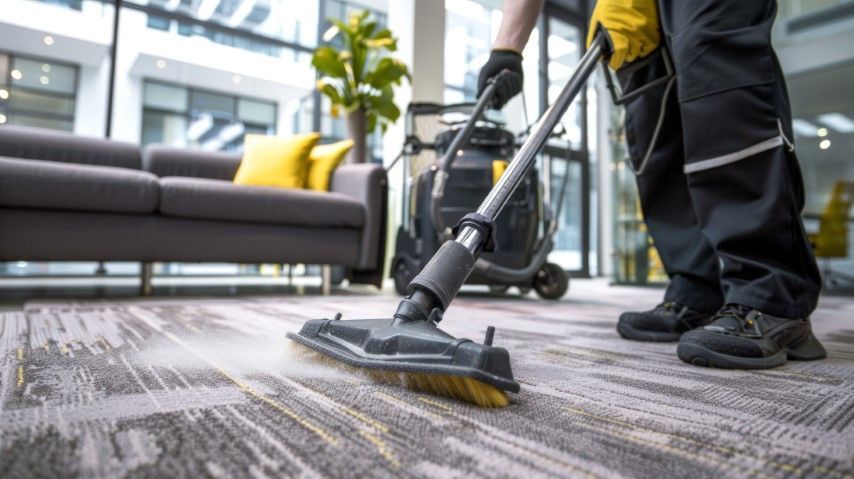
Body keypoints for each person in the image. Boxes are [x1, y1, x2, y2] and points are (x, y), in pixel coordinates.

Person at [477, 0, 826, 369]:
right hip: (630, 11)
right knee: (657, 138)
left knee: (722, 94)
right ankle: (696, 287)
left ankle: (771, 294)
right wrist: (507, 49)